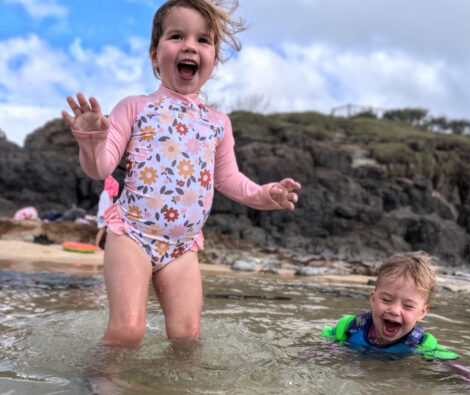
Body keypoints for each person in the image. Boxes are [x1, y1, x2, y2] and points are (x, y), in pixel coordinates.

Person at [61, 0, 301, 347]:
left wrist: (266, 194)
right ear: (155, 55)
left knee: (187, 339)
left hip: (183, 246)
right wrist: (92, 142)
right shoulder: (134, 107)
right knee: (128, 331)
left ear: (213, 60)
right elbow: (100, 168)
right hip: (132, 234)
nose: (190, 45)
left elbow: (228, 179)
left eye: (203, 40)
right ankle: (100, 384)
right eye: (177, 36)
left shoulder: (218, 123)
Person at [321, 252, 458, 360]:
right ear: (373, 299)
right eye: (386, 300)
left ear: (422, 312)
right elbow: (325, 341)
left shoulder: (420, 344)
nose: (395, 310)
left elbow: (446, 362)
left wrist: (466, 377)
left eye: (408, 306)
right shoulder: (350, 327)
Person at [94, 176, 120, 250]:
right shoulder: (105, 194)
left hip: (105, 215)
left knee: (107, 230)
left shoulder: (108, 195)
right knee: (102, 230)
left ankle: (106, 246)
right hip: (102, 215)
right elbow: (102, 205)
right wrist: (102, 215)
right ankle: (96, 245)